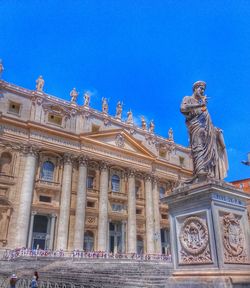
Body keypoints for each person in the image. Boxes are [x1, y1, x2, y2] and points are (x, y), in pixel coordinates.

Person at [180, 81, 228, 181]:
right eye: (201, 88)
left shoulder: (202, 105)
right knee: (198, 148)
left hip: (207, 131)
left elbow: (207, 120)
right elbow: (183, 109)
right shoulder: (188, 98)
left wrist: (215, 130)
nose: (202, 91)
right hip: (196, 127)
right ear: (195, 88)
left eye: (203, 90)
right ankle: (200, 171)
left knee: (211, 151)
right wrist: (199, 105)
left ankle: (209, 171)